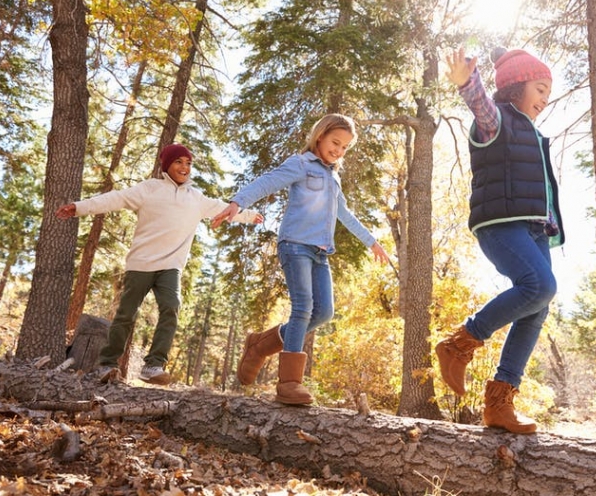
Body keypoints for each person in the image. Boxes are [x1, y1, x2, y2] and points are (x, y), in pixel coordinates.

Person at [212, 113, 390, 405]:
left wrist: (372, 242)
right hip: (295, 244)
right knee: (303, 307)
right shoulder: (301, 164)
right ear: (320, 136)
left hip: (320, 252)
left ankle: (260, 345)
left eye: (345, 147)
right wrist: (237, 203)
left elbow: (344, 214)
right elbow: (267, 182)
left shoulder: (333, 177)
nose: (339, 151)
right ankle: (289, 383)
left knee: (324, 312)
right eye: (336, 143)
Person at [56, 143, 263, 386]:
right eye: (178, 162)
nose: (184, 167)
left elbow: (224, 209)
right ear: (167, 165)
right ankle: (108, 364)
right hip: (141, 263)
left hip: (171, 266)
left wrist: (249, 216)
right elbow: (115, 199)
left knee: (171, 306)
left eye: (188, 163)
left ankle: (153, 365)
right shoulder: (149, 189)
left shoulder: (196, 198)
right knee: (126, 315)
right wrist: (79, 207)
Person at [436, 46, 565, 434]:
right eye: (540, 89)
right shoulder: (498, 121)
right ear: (515, 88)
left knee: (537, 306)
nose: (545, 99)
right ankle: (459, 344)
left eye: (548, 92)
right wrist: (467, 82)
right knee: (539, 285)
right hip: (500, 224)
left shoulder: (534, 133)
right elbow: (480, 106)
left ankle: (499, 403)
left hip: (533, 228)